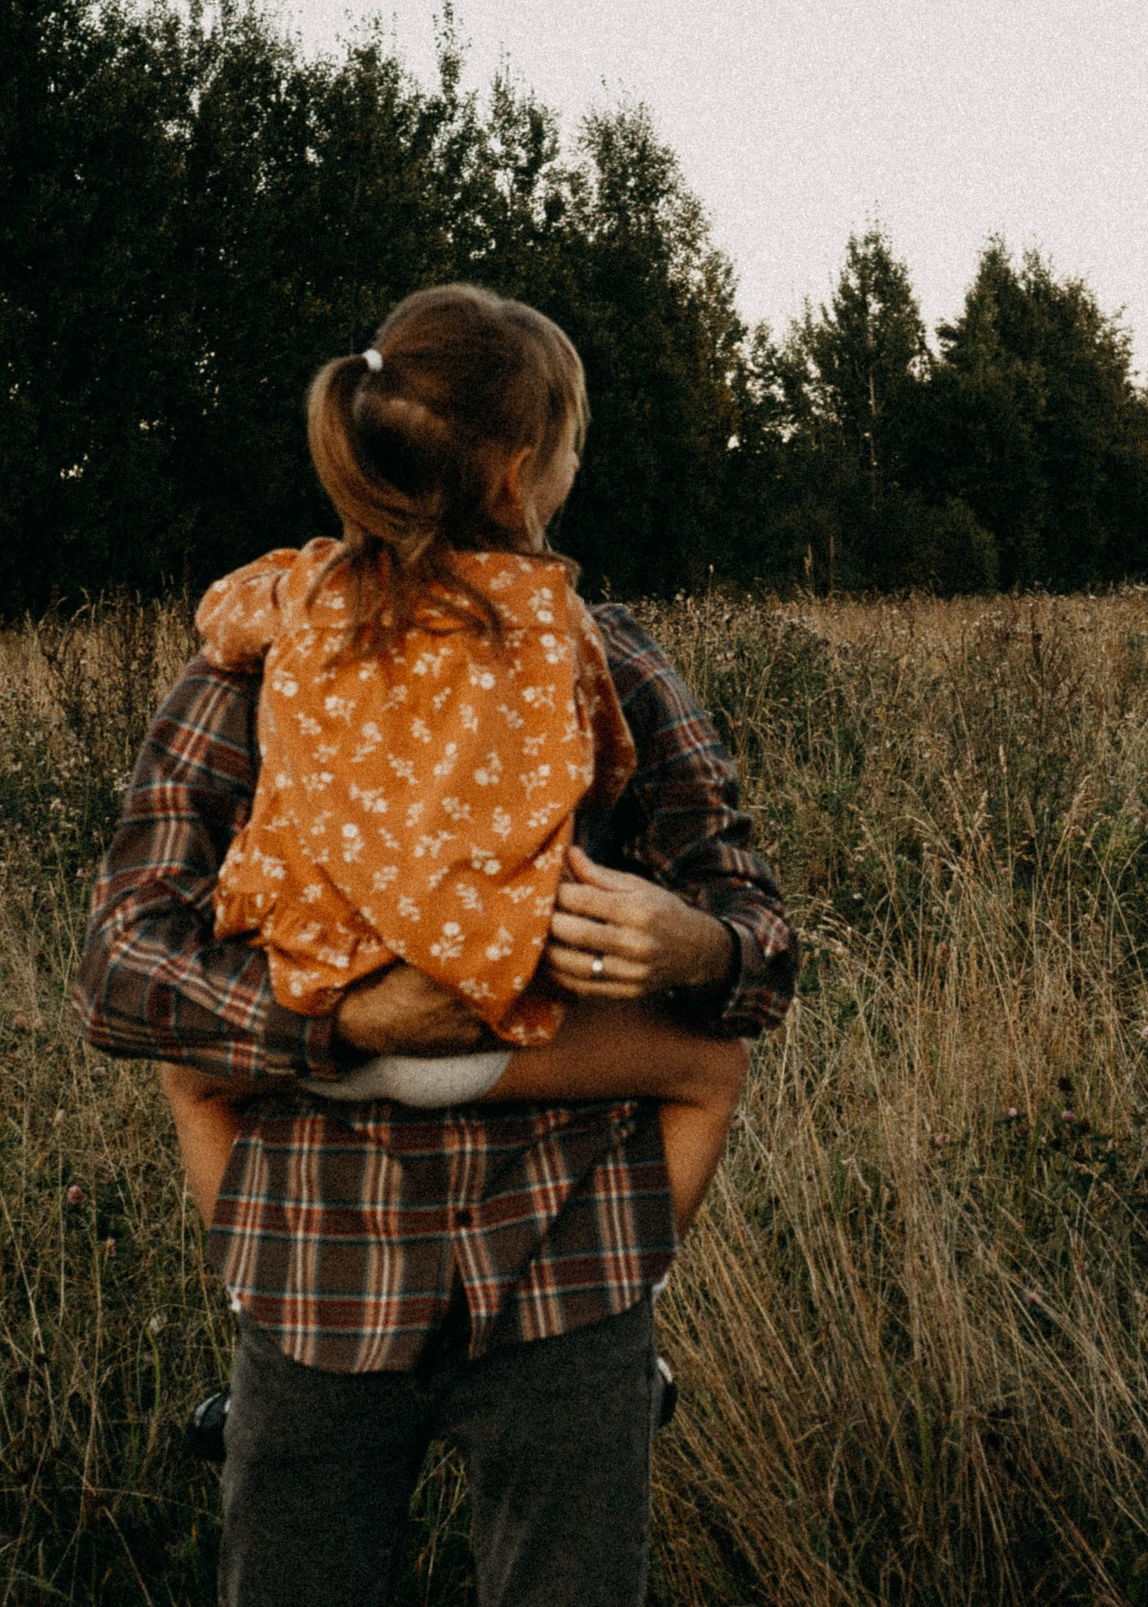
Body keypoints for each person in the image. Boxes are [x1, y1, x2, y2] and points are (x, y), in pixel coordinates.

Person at [74, 315, 794, 1607]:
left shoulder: (287, 630)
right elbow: (124, 959)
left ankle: (632, 1354)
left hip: (569, 1278)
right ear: (525, 473)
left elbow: (760, 943)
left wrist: (696, 938)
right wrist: (348, 1019)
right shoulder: (264, 671)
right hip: (317, 1279)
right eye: (575, 439)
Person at [157, 283, 748, 1239]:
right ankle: (638, 1286)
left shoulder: (293, 595)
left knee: (190, 1076)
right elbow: (608, 757)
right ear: (521, 482)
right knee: (713, 1070)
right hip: (496, 1007)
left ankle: (247, 1291)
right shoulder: (561, 623)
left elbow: (219, 617)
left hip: (320, 999)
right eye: (573, 447)